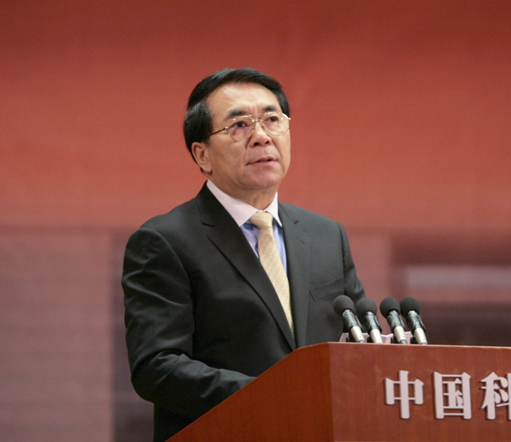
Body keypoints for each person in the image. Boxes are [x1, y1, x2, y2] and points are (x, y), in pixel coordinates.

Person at [122, 68, 365, 441]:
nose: (262, 136)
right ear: (202, 155)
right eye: (239, 126)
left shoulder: (326, 235)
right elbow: (157, 368)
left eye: (272, 120)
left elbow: (359, 334)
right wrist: (276, 398)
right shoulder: (164, 241)